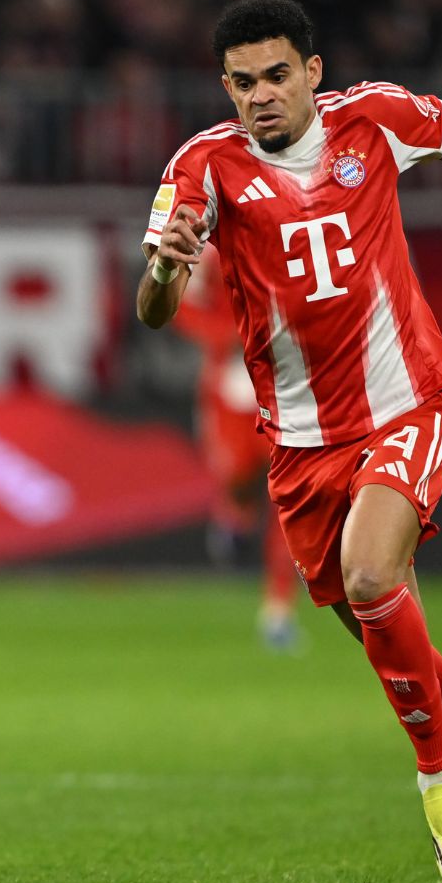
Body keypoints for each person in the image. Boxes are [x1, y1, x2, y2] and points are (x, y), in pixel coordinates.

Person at [135, 0, 442, 883]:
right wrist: (168, 268)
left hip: (410, 400)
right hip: (299, 444)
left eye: (277, 75)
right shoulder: (201, 168)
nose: (261, 94)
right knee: (380, 627)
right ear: (226, 86)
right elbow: (155, 310)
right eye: (243, 81)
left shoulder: (374, 118)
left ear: (312, 73)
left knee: (374, 576)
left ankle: (438, 779)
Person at [172, 247, 303, 651]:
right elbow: (177, 306)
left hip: (281, 392)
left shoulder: (284, 235)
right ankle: (235, 518)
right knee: (240, 488)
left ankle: (278, 609)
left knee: (288, 503)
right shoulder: (208, 248)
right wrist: (225, 336)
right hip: (227, 395)